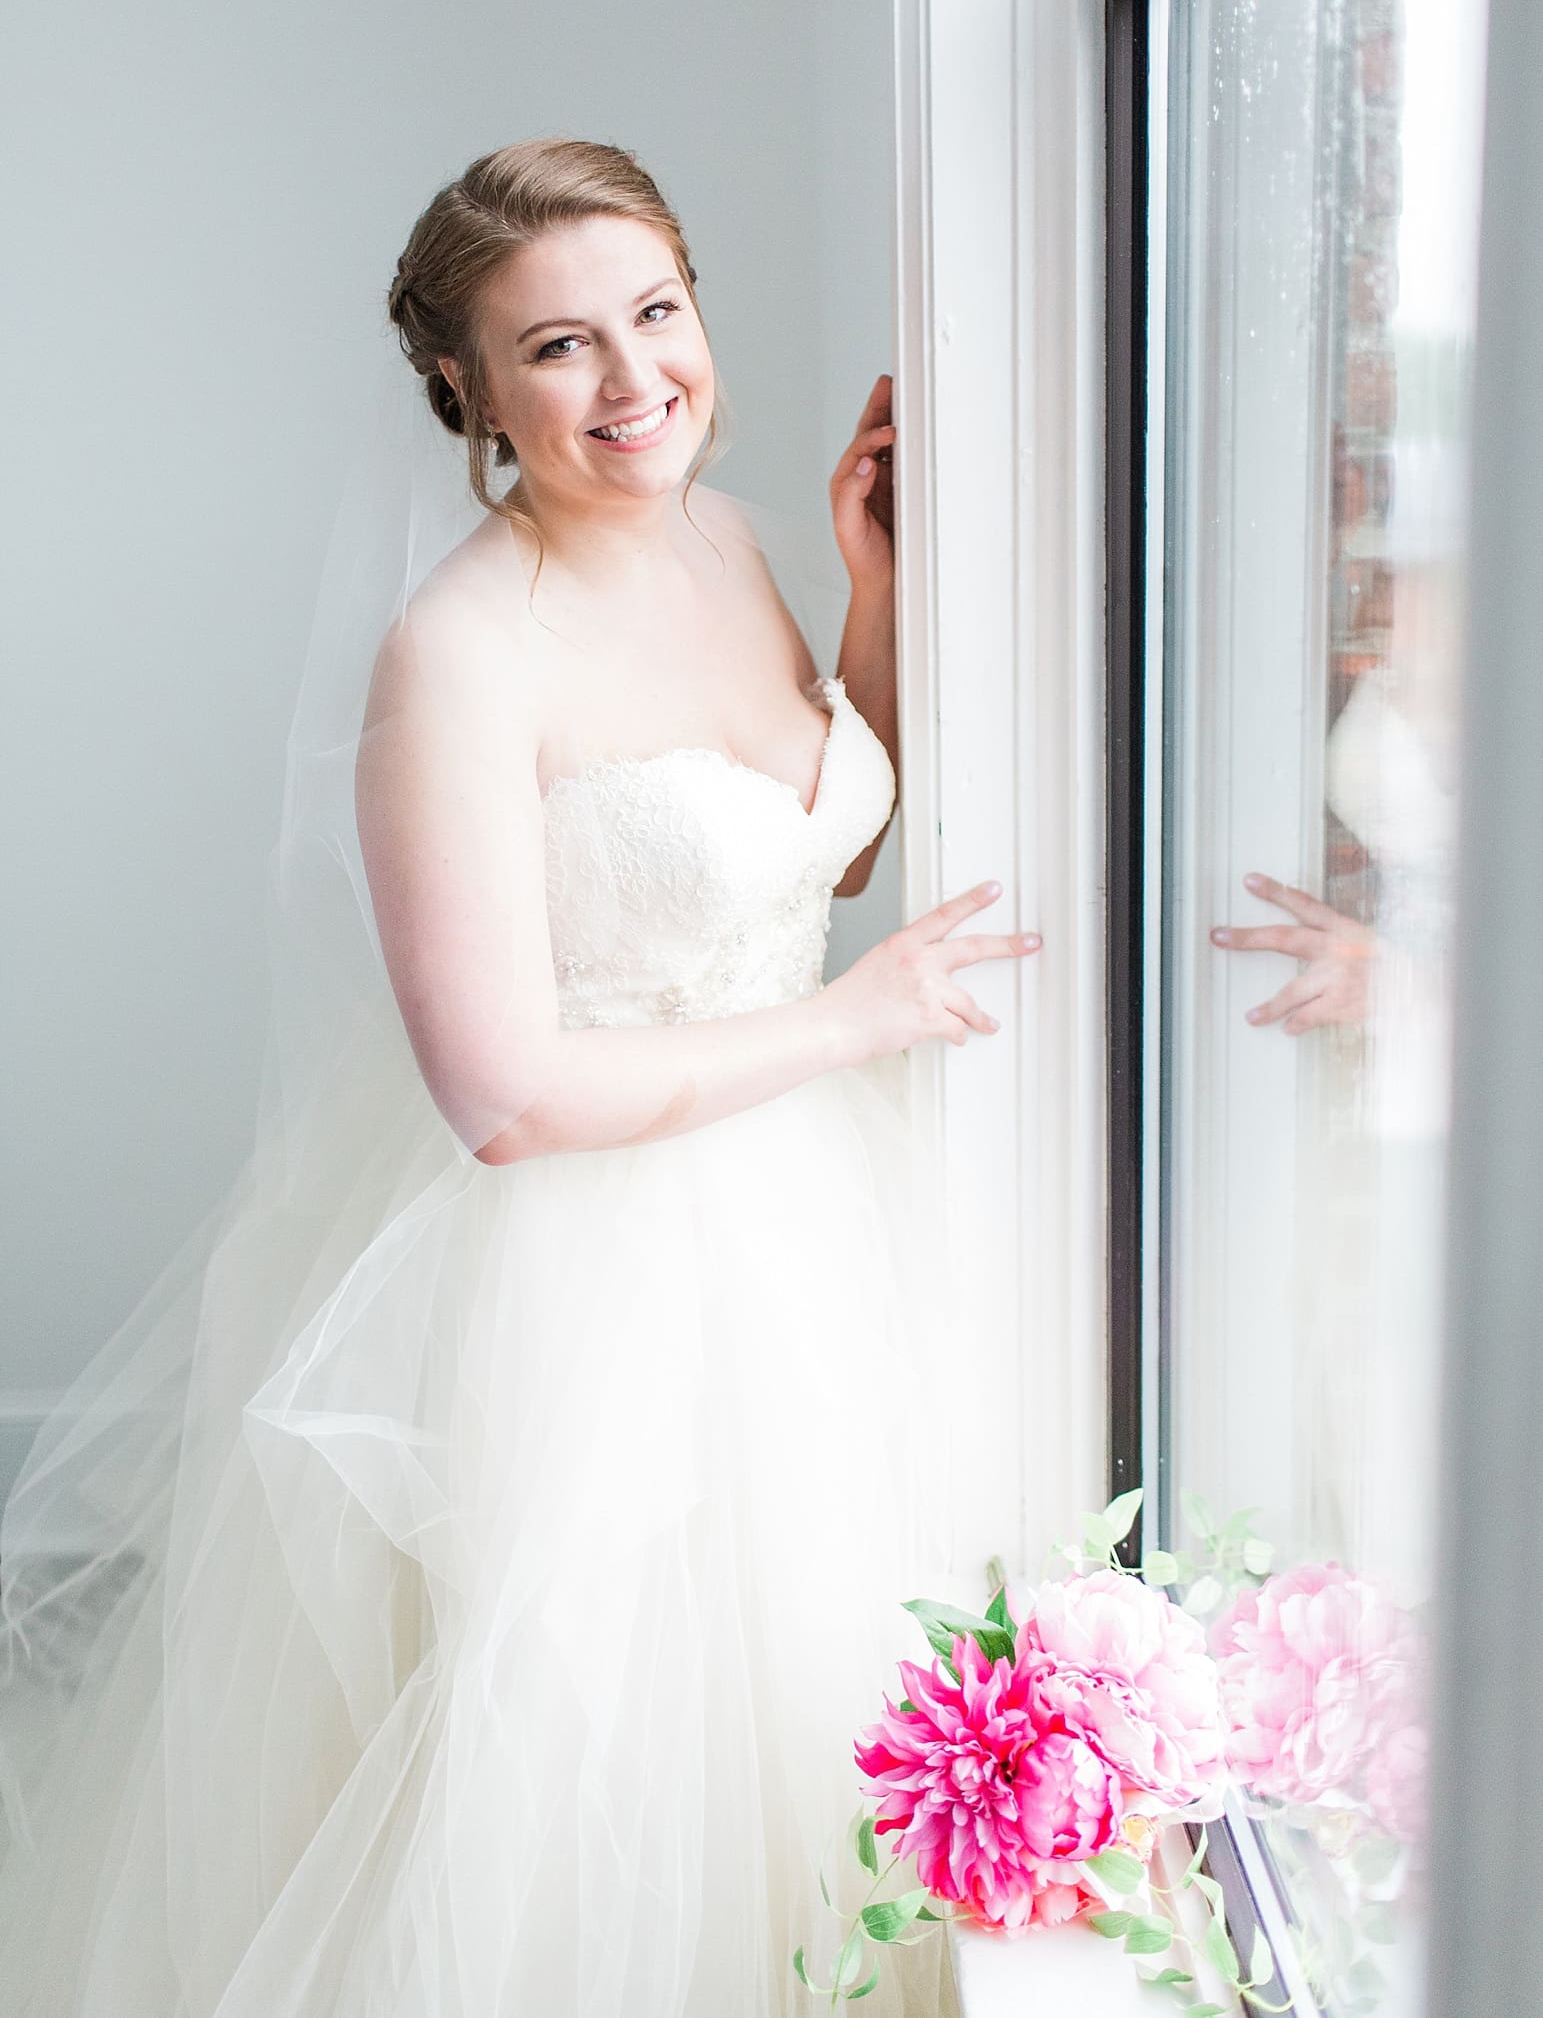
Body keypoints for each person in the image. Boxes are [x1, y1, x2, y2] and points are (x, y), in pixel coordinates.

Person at [0, 138, 1037, 2016]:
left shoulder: (721, 540)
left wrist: (868, 585)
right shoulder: (459, 659)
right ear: (466, 392)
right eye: (560, 347)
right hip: (596, 1281)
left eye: (657, 312)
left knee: (827, 1715)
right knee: (616, 1773)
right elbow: (501, 1097)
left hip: (816, 1218)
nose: (637, 380)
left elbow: (827, 858)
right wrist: (859, 1025)